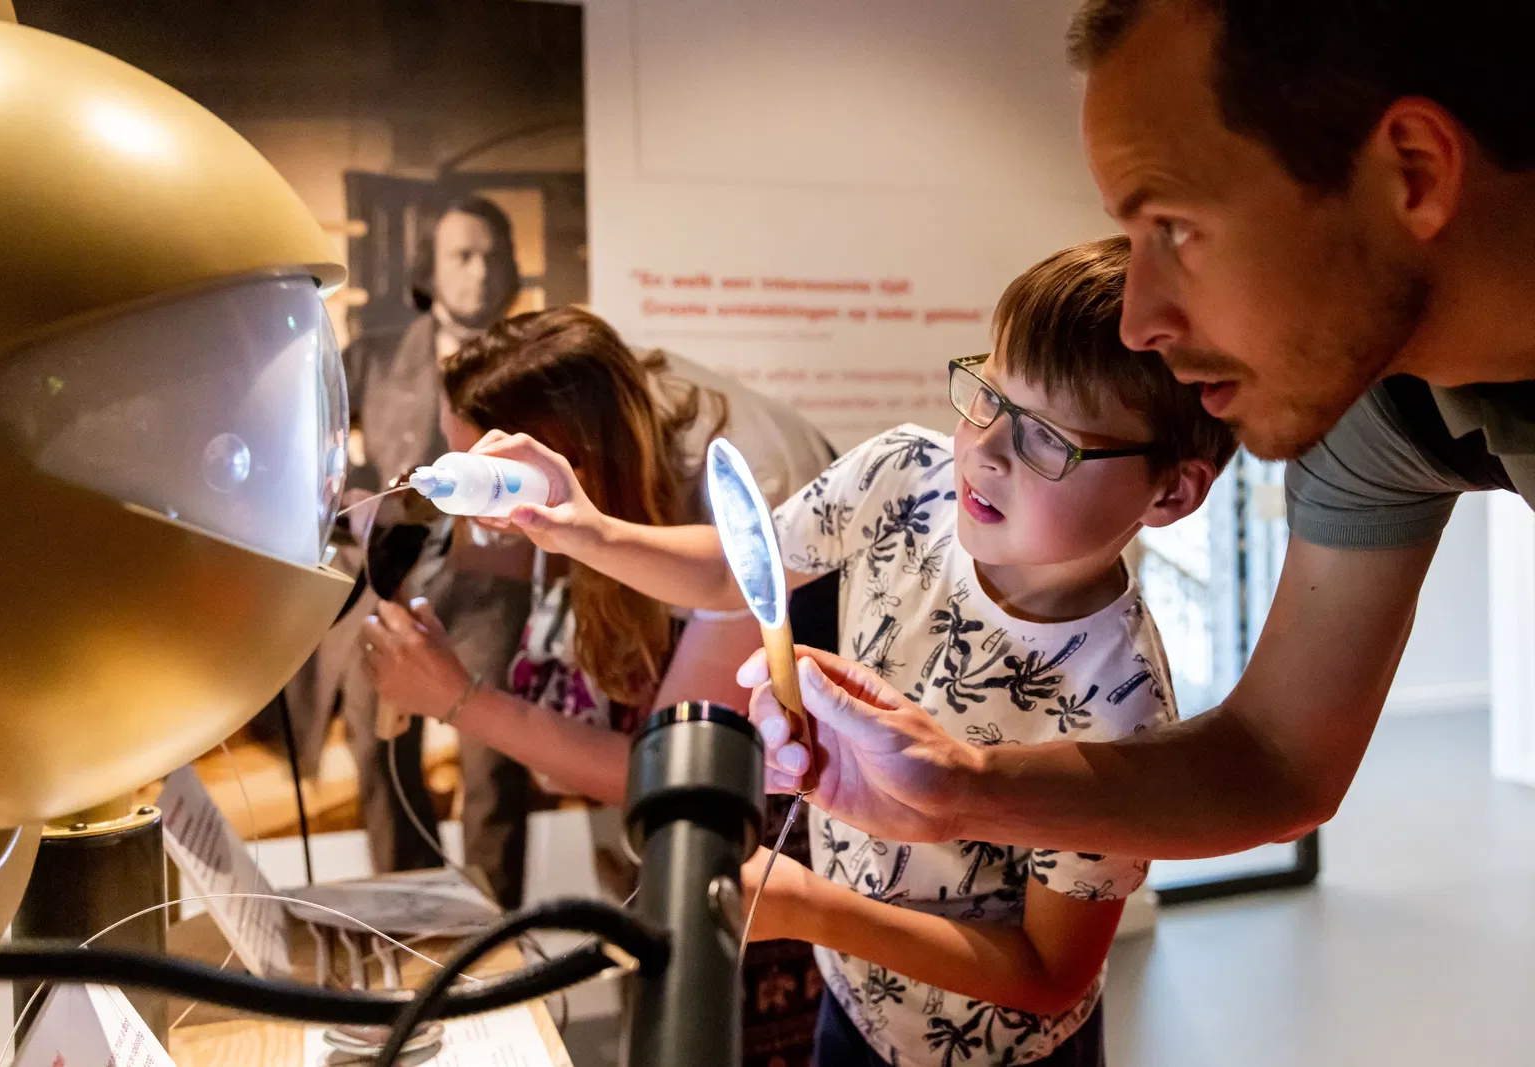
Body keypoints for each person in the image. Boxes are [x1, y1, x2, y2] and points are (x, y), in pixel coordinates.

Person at [706, 0, 1535, 863]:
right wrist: (958, 787)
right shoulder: (1375, 413)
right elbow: (1278, 756)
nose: (1139, 319)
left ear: (1413, 170)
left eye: (1174, 227)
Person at [470, 238, 1235, 1066]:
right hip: (854, 1000)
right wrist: (586, 528)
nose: (985, 448)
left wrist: (811, 909)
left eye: (1047, 437)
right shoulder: (906, 476)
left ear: (1171, 489)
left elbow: (1050, 974)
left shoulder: (1120, 709)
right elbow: (743, 567)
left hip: (995, 1053)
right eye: (988, 394)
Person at [359, 305, 838, 1067]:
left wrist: (457, 697)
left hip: (779, 834)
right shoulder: (600, 412)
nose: (477, 518)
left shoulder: (742, 502)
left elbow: (663, 771)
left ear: (554, 461)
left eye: (479, 484)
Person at [286, 196, 529, 888]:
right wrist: (351, 497)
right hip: (391, 582)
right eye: (462, 254)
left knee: (495, 759)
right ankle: (411, 912)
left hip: (490, 592)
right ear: (431, 266)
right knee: (378, 745)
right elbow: (316, 451)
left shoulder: (532, 361)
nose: (479, 272)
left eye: (492, 256)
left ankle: (495, 932)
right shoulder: (375, 357)